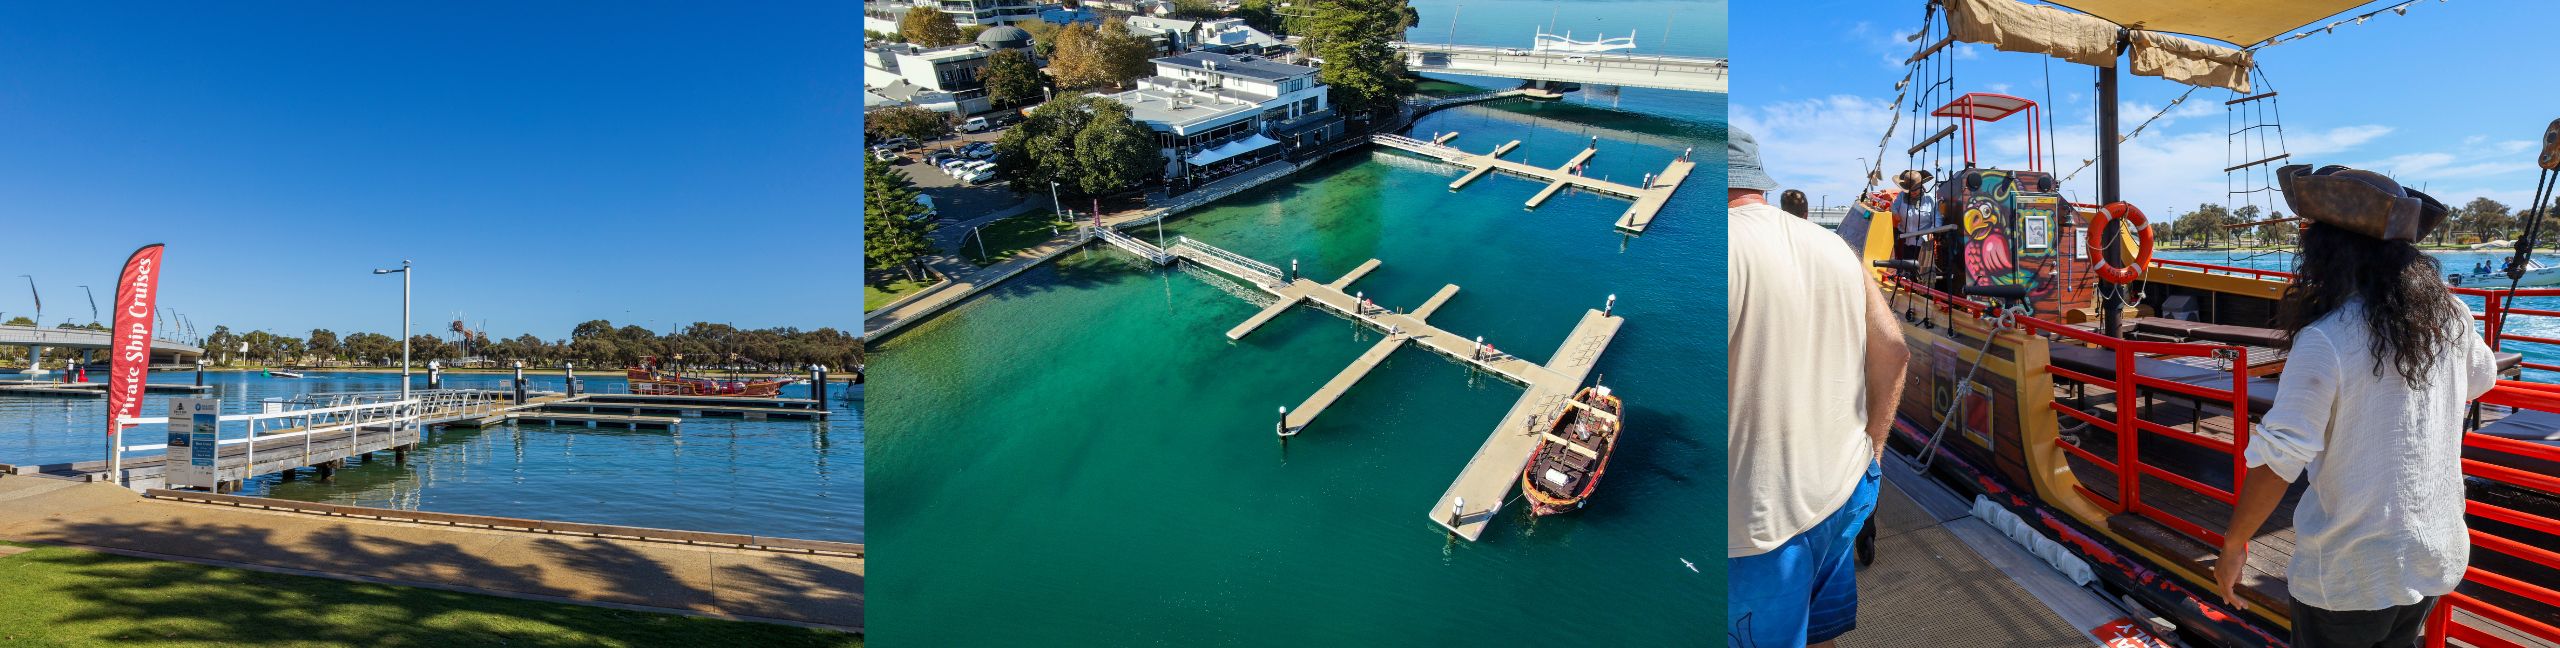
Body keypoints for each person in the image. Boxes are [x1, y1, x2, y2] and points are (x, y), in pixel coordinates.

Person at [2217, 164, 2486, 648]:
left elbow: (2281, 459)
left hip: (2349, 576)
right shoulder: (2453, 317)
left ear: (2328, 250)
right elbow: (2480, 379)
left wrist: (2234, 544)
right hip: (2431, 557)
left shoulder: (2327, 338)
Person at [1727, 126, 1909, 648]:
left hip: (1758, 527)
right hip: (1839, 490)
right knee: (1820, 634)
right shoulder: (1835, 248)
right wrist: (1871, 457)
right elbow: (1895, 353)